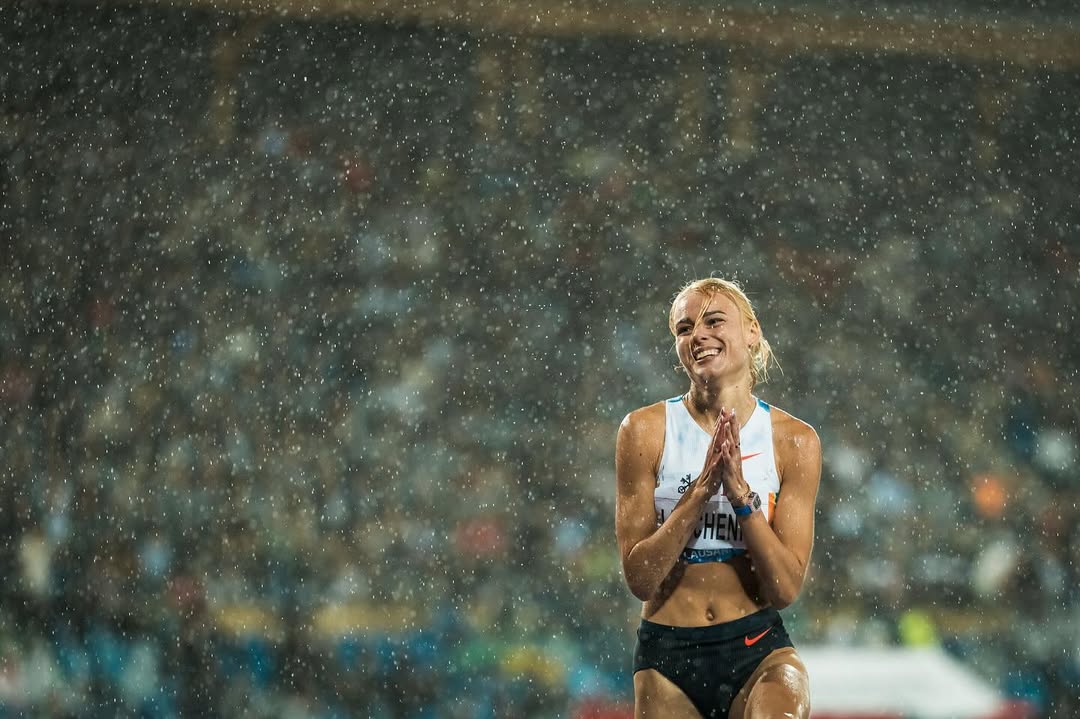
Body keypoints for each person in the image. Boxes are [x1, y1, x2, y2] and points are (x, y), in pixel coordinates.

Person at [615, 277, 821, 718]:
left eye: (714, 321)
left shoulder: (794, 441)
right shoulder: (645, 431)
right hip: (668, 656)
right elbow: (640, 579)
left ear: (752, 331)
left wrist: (742, 497)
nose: (698, 335)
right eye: (684, 328)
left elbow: (785, 588)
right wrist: (704, 489)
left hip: (757, 648)